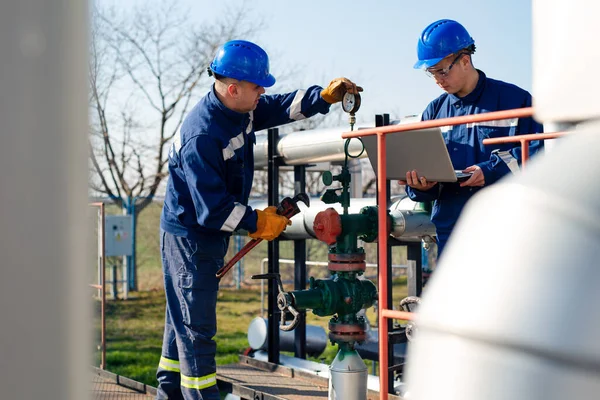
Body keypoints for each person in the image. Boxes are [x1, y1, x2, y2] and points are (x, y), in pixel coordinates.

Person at [155, 39, 361, 400]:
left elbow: (280, 106)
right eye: (256, 86)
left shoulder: (240, 108)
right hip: (190, 238)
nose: (262, 91)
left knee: (180, 322)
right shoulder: (203, 136)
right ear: (233, 89)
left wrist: (322, 97)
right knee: (195, 331)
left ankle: (168, 393)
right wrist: (258, 221)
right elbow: (213, 209)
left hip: (199, 233)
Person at [400, 19, 543, 258]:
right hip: (451, 229)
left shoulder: (514, 101)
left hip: (504, 227)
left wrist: (490, 170)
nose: (438, 80)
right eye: (431, 73)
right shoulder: (434, 112)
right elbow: (427, 172)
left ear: (465, 60)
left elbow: (540, 151)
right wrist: (419, 187)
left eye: (442, 70)